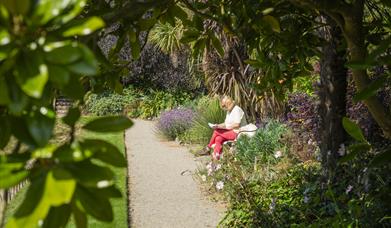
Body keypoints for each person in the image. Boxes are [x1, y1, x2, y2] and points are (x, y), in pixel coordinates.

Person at [199, 96, 247, 160]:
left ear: (228, 103)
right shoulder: (229, 111)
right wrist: (217, 125)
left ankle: (208, 147)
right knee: (218, 138)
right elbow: (225, 123)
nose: (224, 107)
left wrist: (226, 127)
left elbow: (237, 124)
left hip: (238, 132)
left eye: (225, 105)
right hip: (231, 131)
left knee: (216, 131)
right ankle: (216, 156)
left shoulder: (237, 109)